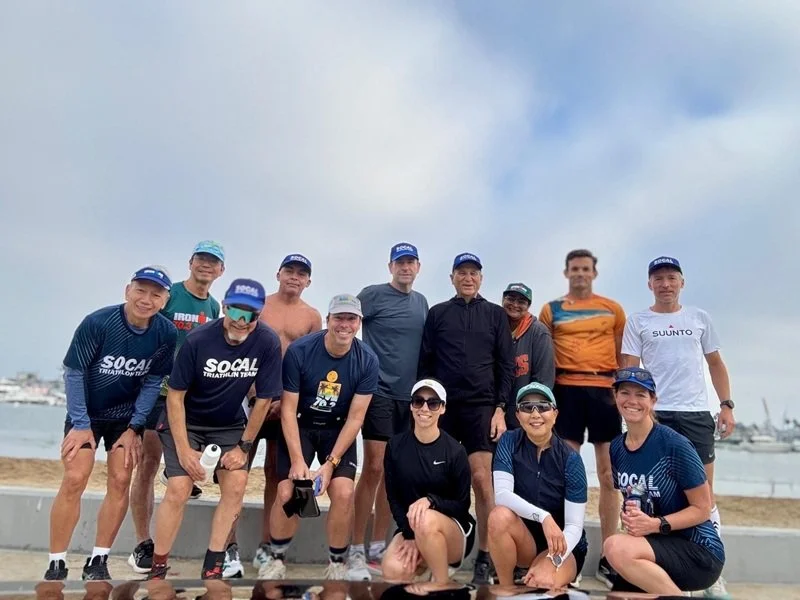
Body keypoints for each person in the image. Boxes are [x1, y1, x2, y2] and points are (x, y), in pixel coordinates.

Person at [44, 266, 177, 581]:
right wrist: (80, 424)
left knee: (120, 479)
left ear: (164, 300)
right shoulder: (98, 323)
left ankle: (98, 560)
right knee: (75, 477)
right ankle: (56, 562)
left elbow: (153, 381)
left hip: (126, 418)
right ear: (128, 290)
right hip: (86, 415)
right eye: (140, 290)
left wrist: (135, 427)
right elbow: (74, 372)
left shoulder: (166, 333)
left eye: (155, 294)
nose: (146, 299)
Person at [147, 278, 283, 580]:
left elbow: (264, 400)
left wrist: (244, 447)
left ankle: (214, 563)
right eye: (235, 311)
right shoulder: (198, 339)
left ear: (260, 315)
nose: (241, 321)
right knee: (179, 487)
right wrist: (184, 450)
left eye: (250, 314)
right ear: (223, 307)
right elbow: (175, 397)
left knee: (236, 484)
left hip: (228, 423)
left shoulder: (267, 342)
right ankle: (158, 565)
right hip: (186, 420)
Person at [620, 256, 734, 598]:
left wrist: (726, 405)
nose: (665, 284)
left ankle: (712, 573)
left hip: (696, 414)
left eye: (671, 277)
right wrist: (630, 412)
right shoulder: (638, 321)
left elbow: (716, 363)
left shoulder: (699, 318)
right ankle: (660, 568)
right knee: (654, 491)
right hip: (655, 414)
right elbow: (629, 370)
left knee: (704, 495)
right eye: (658, 278)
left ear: (681, 282)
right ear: (649, 284)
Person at [258, 294, 379, 581]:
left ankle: (336, 563)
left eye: (351, 319)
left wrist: (330, 464)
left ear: (359, 323)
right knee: (288, 492)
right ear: (328, 320)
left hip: (337, 430)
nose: (344, 324)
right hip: (301, 425)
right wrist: (298, 460)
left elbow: (356, 418)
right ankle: (276, 558)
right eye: (339, 318)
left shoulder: (367, 360)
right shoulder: (300, 351)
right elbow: (288, 410)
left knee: (343, 492)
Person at [417, 252, 515, 584]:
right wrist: (426, 406)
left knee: (482, 480)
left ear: (481, 278)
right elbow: (426, 362)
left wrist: (501, 408)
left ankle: (485, 557)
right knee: (438, 480)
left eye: (474, 273)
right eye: (462, 272)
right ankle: (438, 550)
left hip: (482, 408)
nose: (468, 278)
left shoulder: (496, 314)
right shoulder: (438, 313)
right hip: (443, 408)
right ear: (452, 278)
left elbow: (506, 365)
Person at [128, 240, 225, 574]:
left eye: (213, 262)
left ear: (221, 270)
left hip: (188, 398)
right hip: (156, 391)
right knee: (147, 464)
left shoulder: (213, 306)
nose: (206, 266)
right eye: (201, 259)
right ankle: (143, 542)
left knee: (185, 461)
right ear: (190, 262)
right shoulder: (170, 296)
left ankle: (177, 472)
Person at [538, 248, 626, 587]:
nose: (580, 274)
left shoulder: (613, 309)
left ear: (594, 273)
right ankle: (567, 553)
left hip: (604, 391)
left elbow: (622, 354)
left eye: (585, 269)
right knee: (567, 472)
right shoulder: (552, 310)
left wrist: (621, 392)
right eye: (574, 269)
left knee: (608, 475)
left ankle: (610, 556)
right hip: (566, 390)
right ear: (566, 273)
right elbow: (544, 354)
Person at [231, 253, 322, 578]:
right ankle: (228, 546)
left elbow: (311, 364)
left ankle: (267, 545)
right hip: (251, 399)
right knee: (236, 471)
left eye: (301, 273)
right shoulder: (261, 306)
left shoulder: (312, 316)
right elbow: (240, 347)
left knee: (276, 473)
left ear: (308, 281)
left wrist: (285, 401)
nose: (294, 277)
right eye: (289, 271)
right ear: (278, 274)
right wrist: (255, 394)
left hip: (286, 405)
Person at [604, 367, 725, 595]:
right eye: (625, 393)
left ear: (653, 401)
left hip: (698, 550)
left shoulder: (674, 445)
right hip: (656, 545)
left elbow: (702, 509)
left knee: (613, 546)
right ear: (615, 397)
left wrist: (655, 524)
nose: (632, 401)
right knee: (618, 595)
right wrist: (632, 517)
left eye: (641, 394)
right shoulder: (617, 448)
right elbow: (637, 497)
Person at [351, 242, 429, 578]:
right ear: (390, 267)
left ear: (418, 267)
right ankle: (355, 547)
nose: (405, 267)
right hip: (377, 392)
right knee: (373, 468)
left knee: (393, 475)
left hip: (409, 399)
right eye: (400, 262)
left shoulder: (422, 302)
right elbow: (346, 326)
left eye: (410, 262)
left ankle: (378, 546)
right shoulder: (372, 295)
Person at [487, 382, 588, 588]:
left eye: (543, 407)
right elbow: (502, 495)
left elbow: (574, 526)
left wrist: (553, 560)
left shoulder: (571, 459)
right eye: (526, 407)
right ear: (518, 416)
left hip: (562, 544)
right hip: (525, 540)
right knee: (498, 516)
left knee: (542, 582)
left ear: (555, 414)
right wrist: (544, 517)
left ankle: (556, 578)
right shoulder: (509, 441)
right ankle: (506, 589)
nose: (535, 414)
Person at [381, 379, 476, 583]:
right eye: (418, 401)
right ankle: (425, 568)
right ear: (411, 406)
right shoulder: (395, 446)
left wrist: (431, 501)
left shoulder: (455, 451)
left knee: (425, 519)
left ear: (442, 408)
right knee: (392, 570)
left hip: (453, 531)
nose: (424, 408)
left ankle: (441, 584)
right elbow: (394, 498)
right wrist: (409, 535)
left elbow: (462, 505)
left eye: (433, 403)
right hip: (412, 527)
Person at [501, 282, 555, 430]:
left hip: (526, 414)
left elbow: (543, 379)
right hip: (495, 413)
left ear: (528, 306)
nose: (515, 305)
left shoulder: (539, 332)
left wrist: (531, 411)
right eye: (511, 299)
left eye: (521, 301)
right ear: (503, 300)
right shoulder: (493, 328)